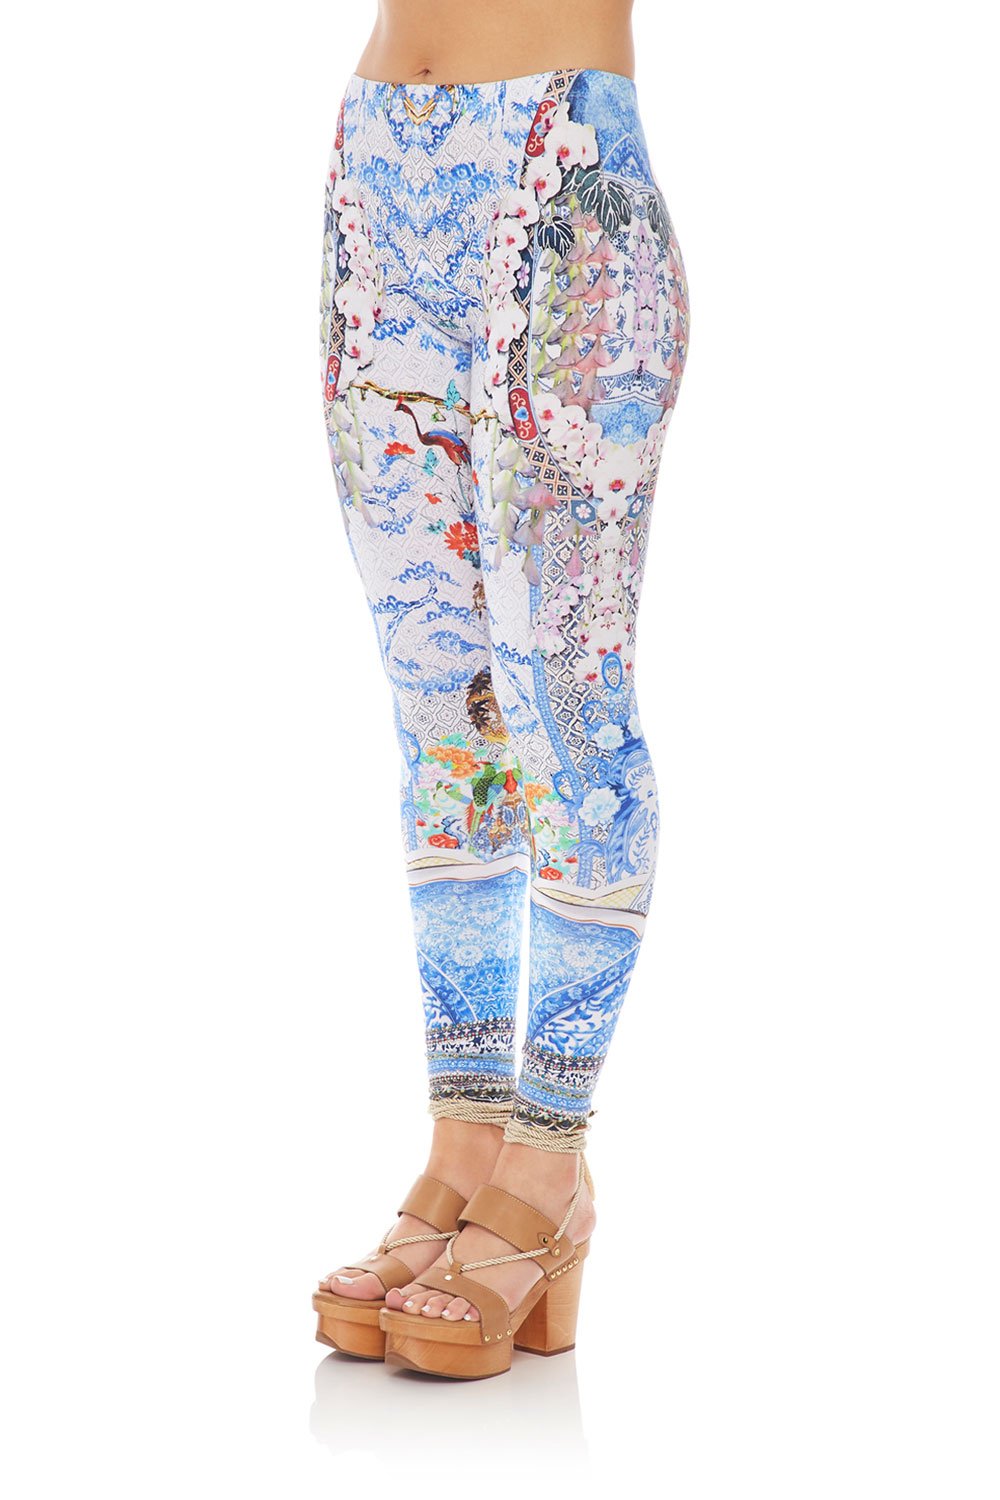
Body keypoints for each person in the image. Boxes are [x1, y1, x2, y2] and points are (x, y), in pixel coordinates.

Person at [313, 0, 689, 1378]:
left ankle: (550, 1164)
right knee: (441, 715)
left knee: (566, 710)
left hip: (560, 173)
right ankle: (465, 1143)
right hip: (375, 163)